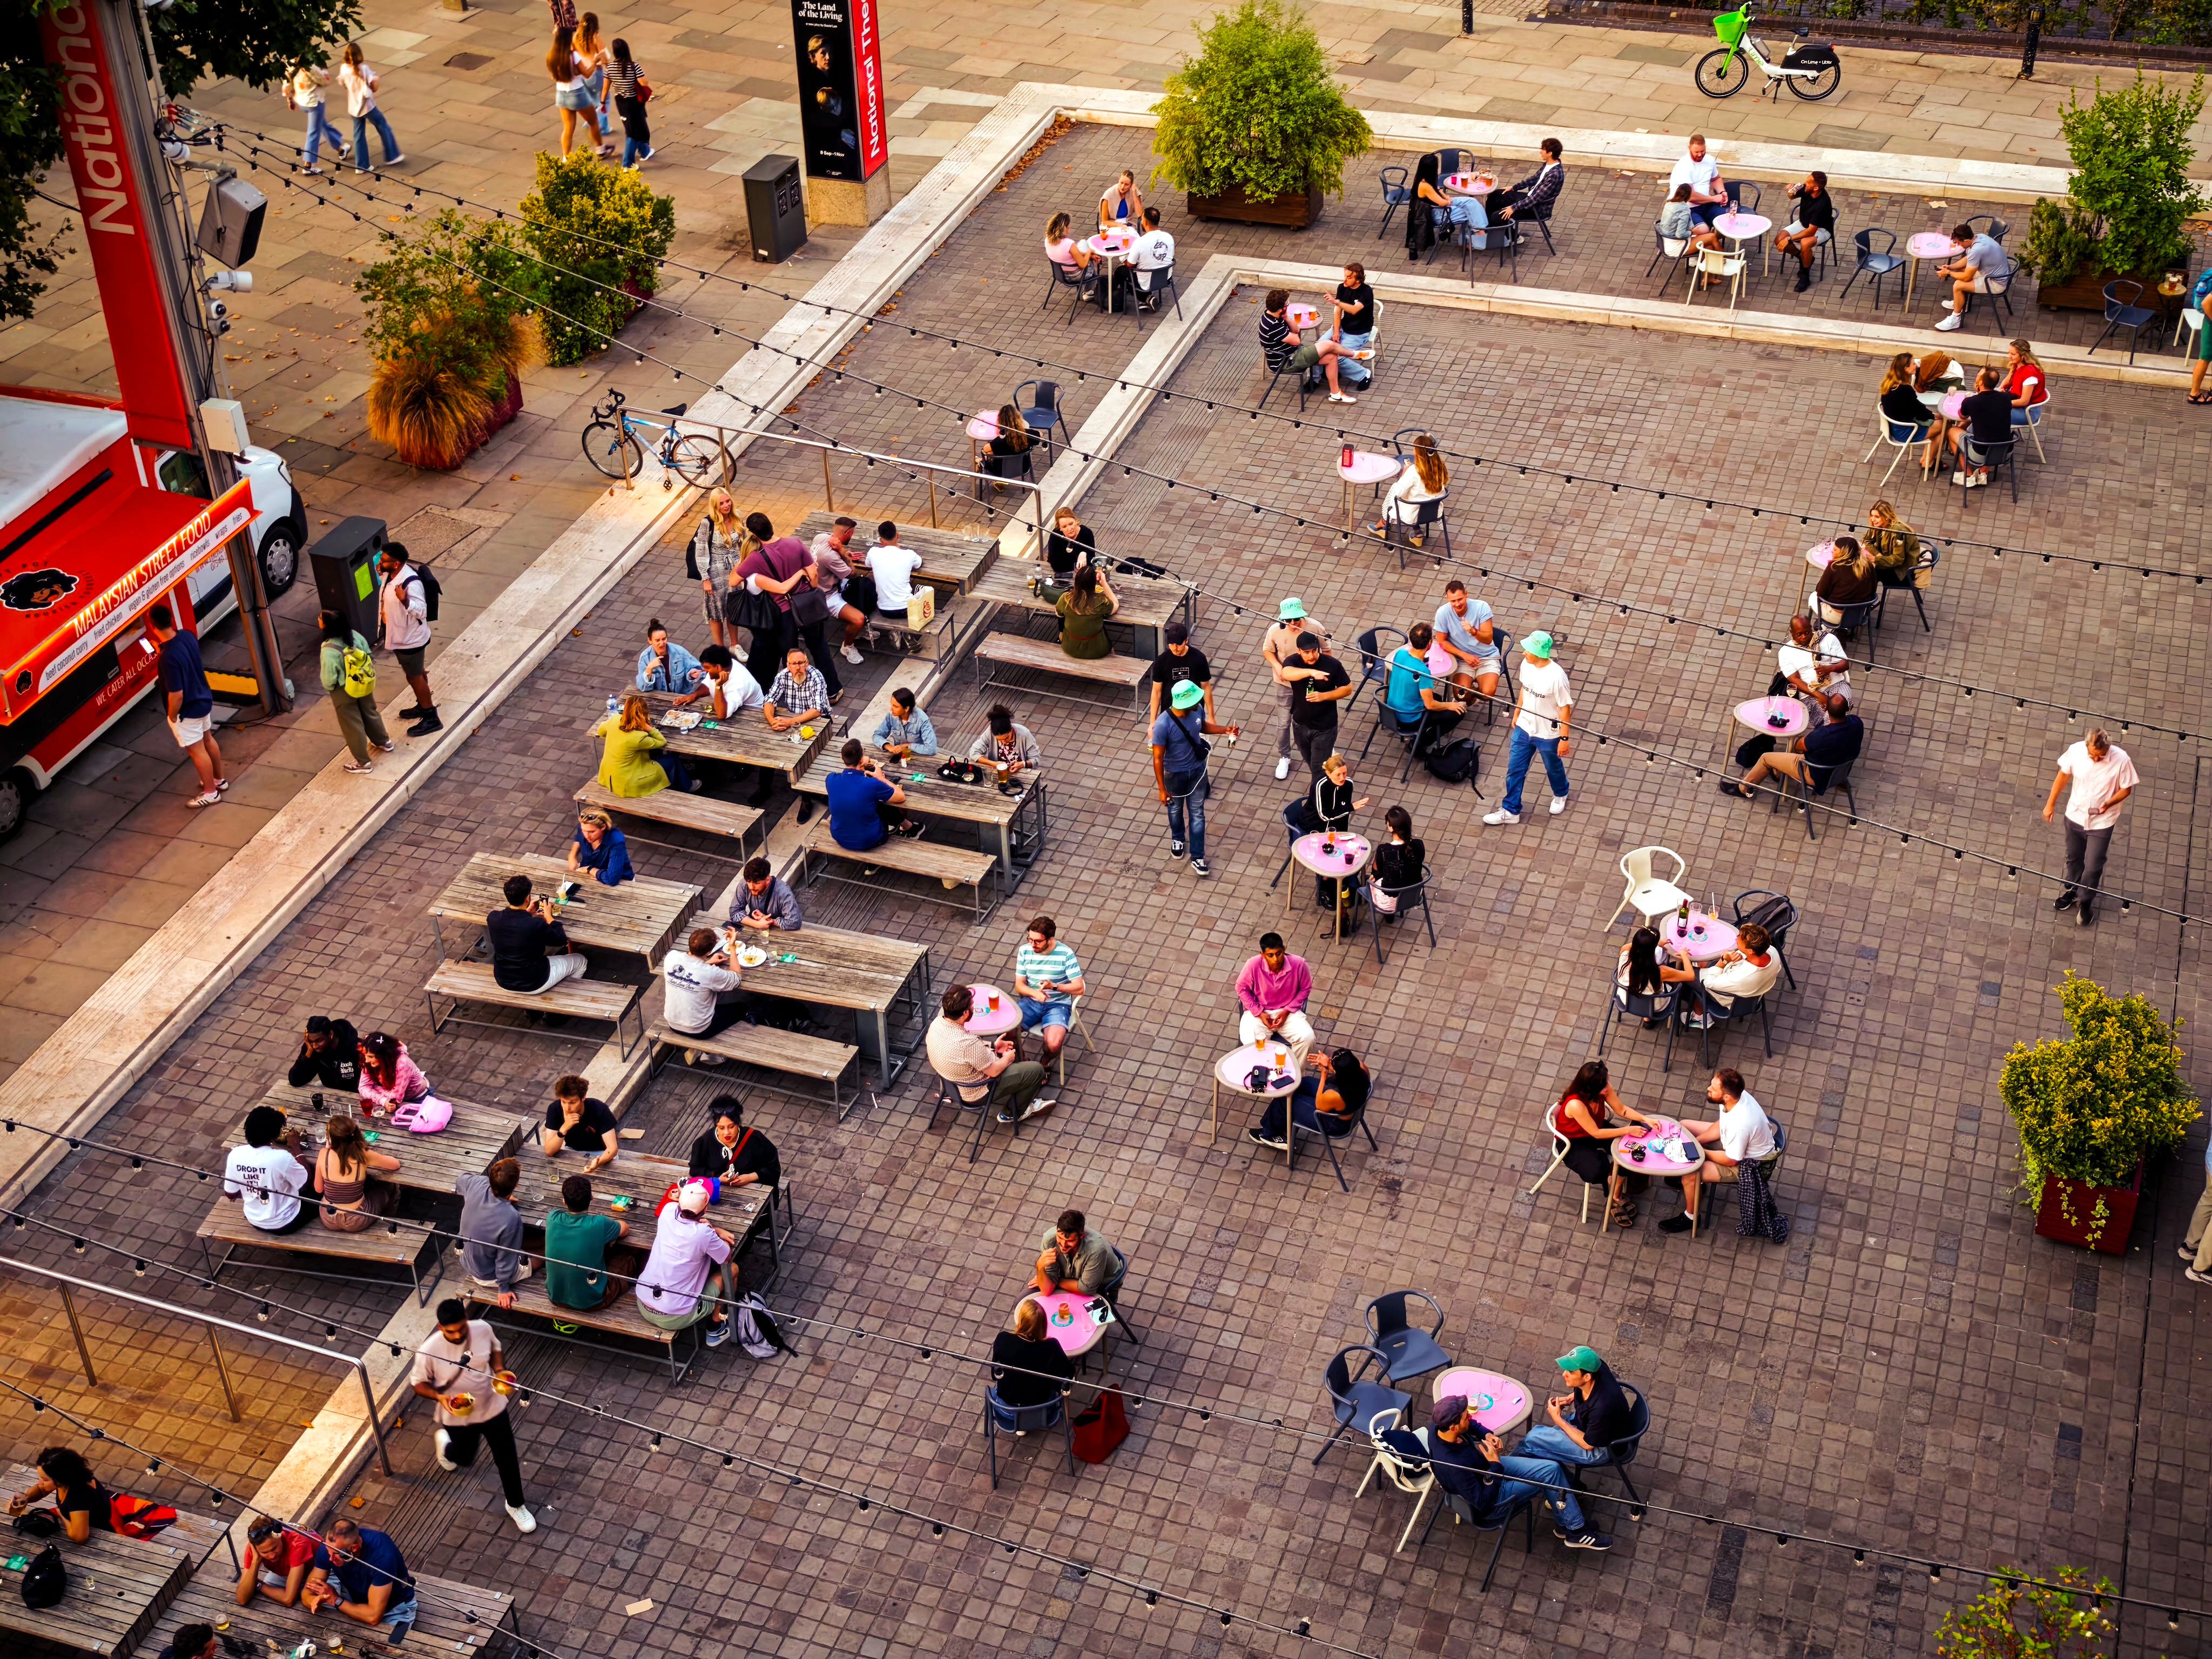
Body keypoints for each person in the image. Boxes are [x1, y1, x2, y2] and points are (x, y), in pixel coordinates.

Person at [1397, 1395, 1610, 1550]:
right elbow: (1483, 1503)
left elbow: (1471, 1427)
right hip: (1494, 1499)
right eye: (1465, 1417)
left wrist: (1486, 1434)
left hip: (1487, 1469)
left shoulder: (1438, 1430)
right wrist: (1495, 1466)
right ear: (1453, 1427)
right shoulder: (1455, 1466)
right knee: (1548, 1478)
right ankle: (1576, 1530)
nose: (1470, 1417)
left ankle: (1566, 1520)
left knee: (1549, 1466)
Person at [410, 1301, 535, 1530]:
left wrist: (499, 1371)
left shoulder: (483, 1328)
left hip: (491, 1404)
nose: (458, 1335)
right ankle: (446, 1447)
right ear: (440, 1327)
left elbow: (495, 1349)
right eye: (451, 1332)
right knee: (464, 1458)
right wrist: (440, 1397)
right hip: (458, 1413)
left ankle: (516, 1505)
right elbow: (418, 1384)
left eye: (462, 1329)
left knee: (506, 1457)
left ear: (467, 1321)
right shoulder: (429, 1350)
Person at [1661, 1069, 1778, 1232]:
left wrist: (1702, 1152)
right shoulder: (1736, 1097)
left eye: (1713, 1089)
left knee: (1690, 1173)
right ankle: (1694, 1184)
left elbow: (1731, 1160)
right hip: (1735, 1144)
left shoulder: (1741, 1125)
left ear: (1727, 1097)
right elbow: (1722, 1124)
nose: (1708, 1089)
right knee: (1684, 1128)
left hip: (1751, 1165)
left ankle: (1691, 1218)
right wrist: (1697, 1141)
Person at [2044, 726, 2138, 926]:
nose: (2096, 759)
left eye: (2101, 756)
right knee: (2074, 857)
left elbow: (2126, 789)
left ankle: (2086, 902)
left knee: (2094, 865)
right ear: (2087, 746)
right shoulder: (2076, 751)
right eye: (2093, 755)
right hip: (2075, 815)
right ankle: (2074, 889)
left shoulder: (2121, 760)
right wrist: (2050, 804)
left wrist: (2109, 804)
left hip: (2103, 822)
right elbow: (2063, 776)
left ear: (2108, 749)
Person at [927, 983, 1054, 1125]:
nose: (974, 1008)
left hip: (950, 1084)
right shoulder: (968, 1044)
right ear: (965, 1013)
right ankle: (1012, 1113)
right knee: (1036, 1070)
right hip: (977, 1092)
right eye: (972, 1006)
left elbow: (965, 1052)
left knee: (1016, 1064)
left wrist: (993, 1046)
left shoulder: (937, 1024)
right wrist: (1007, 1059)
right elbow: (994, 1071)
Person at [1552, 1058, 1655, 1227]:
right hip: (1573, 1142)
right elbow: (1596, 1133)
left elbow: (1622, 1110)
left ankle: (1615, 1195)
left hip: (1596, 1128)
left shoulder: (1604, 1089)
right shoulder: (1576, 1104)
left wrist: (1645, 1119)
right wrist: (1627, 1130)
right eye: (1604, 1085)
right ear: (1592, 1090)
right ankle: (1611, 1179)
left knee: (1630, 1151)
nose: (1608, 1086)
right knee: (1597, 1171)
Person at [636, 1179, 740, 1345]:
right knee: (732, 1269)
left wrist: (711, 1230)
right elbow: (726, 1257)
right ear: (706, 1209)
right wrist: (716, 1232)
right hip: (675, 1317)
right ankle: (716, 1328)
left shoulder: (668, 1211)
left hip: (643, 1303)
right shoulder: (703, 1234)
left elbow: (680, 1212)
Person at [1485, 632, 1572, 825]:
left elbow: (1565, 709)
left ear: (1539, 653)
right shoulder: (1527, 665)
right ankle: (1511, 810)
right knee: (1515, 769)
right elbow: (1525, 688)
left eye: (1528, 650)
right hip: (1524, 728)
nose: (1524, 653)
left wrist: (1564, 739)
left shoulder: (1557, 677)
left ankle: (1561, 793)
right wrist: (1518, 712)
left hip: (1548, 734)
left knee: (1553, 767)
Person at [1152, 678, 1236, 876]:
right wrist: (1162, 789)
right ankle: (1178, 838)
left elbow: (1201, 727)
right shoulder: (1163, 725)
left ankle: (1198, 857)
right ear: (1185, 703)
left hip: (1198, 772)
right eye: (1195, 699)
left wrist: (1224, 730)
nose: (1199, 702)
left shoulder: (1197, 710)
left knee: (1198, 813)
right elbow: (1157, 758)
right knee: (1175, 810)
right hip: (1174, 776)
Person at [146, 604, 226, 807]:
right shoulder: (187, 636)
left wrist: (173, 716)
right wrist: (161, 649)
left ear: (152, 626)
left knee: (197, 751)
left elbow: (177, 694)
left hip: (187, 711)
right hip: (203, 698)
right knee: (208, 740)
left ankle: (211, 793)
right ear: (171, 619)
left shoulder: (168, 659)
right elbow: (183, 656)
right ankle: (219, 780)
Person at [1722, 690, 1862, 804]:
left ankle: (1744, 789)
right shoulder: (1857, 723)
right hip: (1840, 770)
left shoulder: (1823, 735)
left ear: (1826, 710)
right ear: (1847, 710)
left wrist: (1805, 740)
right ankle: (1777, 772)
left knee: (1765, 758)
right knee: (1800, 751)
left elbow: (1799, 745)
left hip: (1815, 774)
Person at [1515, 1345, 1638, 1471]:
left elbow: (1588, 1445)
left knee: (1532, 1439)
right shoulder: (1596, 1366)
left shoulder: (1601, 1409)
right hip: (1590, 1424)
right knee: (1541, 1439)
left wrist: (1558, 1420)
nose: (1564, 1374)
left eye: (1571, 1372)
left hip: (1601, 1448)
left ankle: (1508, 1471)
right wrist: (1570, 1397)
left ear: (1587, 1377)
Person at [318, 609, 395, 774]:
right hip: (363, 682)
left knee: (352, 725)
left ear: (327, 626)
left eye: (320, 618)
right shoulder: (355, 636)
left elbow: (329, 679)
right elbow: (369, 655)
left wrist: (330, 688)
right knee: (370, 712)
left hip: (344, 690)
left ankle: (363, 762)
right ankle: (384, 741)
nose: (318, 620)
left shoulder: (328, 649)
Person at [306, 1518, 420, 1628]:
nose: (330, 1558)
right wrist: (315, 1601)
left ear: (354, 1548)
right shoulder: (331, 1548)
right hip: (353, 1599)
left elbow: (373, 1617)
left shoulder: (383, 1557)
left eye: (335, 1554)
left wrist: (336, 1600)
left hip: (394, 1609)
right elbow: (307, 1593)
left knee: (390, 1640)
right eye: (328, 1552)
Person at [488, 872, 589, 996]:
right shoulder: (534, 924)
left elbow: (515, 925)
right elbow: (561, 940)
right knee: (581, 961)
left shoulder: (493, 918)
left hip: (504, 980)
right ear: (528, 898)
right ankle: (567, 995)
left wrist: (528, 912)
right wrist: (548, 916)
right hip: (533, 982)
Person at [1258, 288, 1366, 404]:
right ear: (1281, 309)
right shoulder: (1273, 325)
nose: (1288, 306)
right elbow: (1296, 341)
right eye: (1287, 305)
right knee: (1329, 344)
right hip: (1287, 361)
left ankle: (1336, 395)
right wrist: (1291, 331)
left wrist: (1287, 318)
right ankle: (1354, 354)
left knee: (1331, 357)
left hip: (1294, 353)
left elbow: (1297, 330)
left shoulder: (1273, 315)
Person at [1250, 1046, 1368, 1150]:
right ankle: (1283, 1122)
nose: (1329, 1060)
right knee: (1302, 1083)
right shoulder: (1361, 1068)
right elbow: (1345, 1074)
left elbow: (1319, 1105)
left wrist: (1324, 1075)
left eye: (1332, 1062)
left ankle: (1271, 1134)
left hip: (1333, 1123)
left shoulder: (1334, 1096)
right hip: (1350, 1107)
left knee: (1285, 1100)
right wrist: (1328, 1064)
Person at [545, 1174, 634, 1311]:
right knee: (630, 1257)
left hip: (555, 1296)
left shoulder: (553, 1217)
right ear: (592, 1198)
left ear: (564, 1201)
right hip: (590, 1302)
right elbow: (625, 1229)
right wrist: (611, 1234)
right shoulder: (599, 1224)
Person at [1263, 597, 1328, 780]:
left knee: (1316, 718)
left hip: (1309, 684)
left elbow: (1327, 650)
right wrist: (1278, 667)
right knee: (1284, 723)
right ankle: (1285, 757)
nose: (1293, 623)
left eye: (1296, 619)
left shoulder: (1315, 627)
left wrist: (1324, 673)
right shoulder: (1275, 631)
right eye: (1288, 620)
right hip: (1284, 684)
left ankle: (1323, 750)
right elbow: (1268, 650)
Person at [663, 926, 752, 1060]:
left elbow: (691, 969)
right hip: (700, 1030)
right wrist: (732, 946)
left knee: (710, 998)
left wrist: (708, 962)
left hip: (673, 1023)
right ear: (709, 952)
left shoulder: (671, 957)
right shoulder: (710, 973)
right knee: (742, 1006)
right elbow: (736, 978)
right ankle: (711, 1053)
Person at [376, 544, 439, 735]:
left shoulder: (411, 583)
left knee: (414, 676)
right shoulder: (391, 574)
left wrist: (405, 600)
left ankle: (431, 717)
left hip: (410, 639)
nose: (380, 562)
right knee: (417, 672)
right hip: (401, 635)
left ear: (396, 564)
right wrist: (381, 571)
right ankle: (422, 704)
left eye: (383, 560)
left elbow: (422, 611)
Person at [224, 1105, 314, 1235]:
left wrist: (253, 1188)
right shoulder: (281, 1158)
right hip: (285, 1223)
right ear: (275, 1136)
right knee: (319, 1191)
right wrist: (296, 1148)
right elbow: (305, 1184)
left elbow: (231, 1194)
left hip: (254, 1219)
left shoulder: (235, 1154)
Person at [1681, 921, 1783, 1031]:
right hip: (1752, 992)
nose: (1736, 938)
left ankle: (1700, 1017)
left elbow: (1709, 982)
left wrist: (1724, 961)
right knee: (1705, 960)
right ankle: (1702, 967)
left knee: (1681, 973)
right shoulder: (1772, 952)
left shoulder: (1742, 977)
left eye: (1739, 937)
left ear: (1751, 951)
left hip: (1728, 998)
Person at [825, 738, 923, 852]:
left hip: (840, 837)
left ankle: (905, 825)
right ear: (861, 761)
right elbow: (901, 797)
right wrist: (880, 778)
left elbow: (850, 789)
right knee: (883, 805)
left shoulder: (831, 779)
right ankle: (903, 828)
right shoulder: (872, 784)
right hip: (869, 840)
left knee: (861, 804)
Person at [1282, 630, 1354, 780]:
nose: (1312, 655)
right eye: (1307, 652)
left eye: (1314, 651)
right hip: (1300, 723)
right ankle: (1328, 779)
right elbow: (1286, 674)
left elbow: (1348, 688)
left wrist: (1324, 696)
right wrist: (1311, 672)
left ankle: (1320, 790)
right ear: (1299, 651)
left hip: (1325, 727)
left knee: (1318, 770)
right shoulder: (1293, 661)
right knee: (1311, 761)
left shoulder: (1332, 664)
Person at [1236, 932, 1314, 1072]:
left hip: (1288, 1013)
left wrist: (1287, 1011)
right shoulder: (1253, 965)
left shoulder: (1299, 964)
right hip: (1258, 1013)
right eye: (1270, 955)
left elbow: (1306, 988)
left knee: (1307, 1038)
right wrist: (1259, 1012)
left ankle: (1294, 1075)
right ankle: (1265, 1074)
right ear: (1262, 955)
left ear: (1284, 950)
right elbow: (1241, 988)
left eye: (1279, 953)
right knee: (1251, 1043)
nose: (1276, 959)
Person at [1014, 915, 1085, 1068]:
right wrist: (1035, 994)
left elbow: (1079, 988)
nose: (1033, 945)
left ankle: (1044, 1065)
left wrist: (1054, 987)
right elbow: (1019, 985)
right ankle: (1024, 1061)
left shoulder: (1066, 954)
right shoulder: (1024, 951)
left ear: (1051, 939)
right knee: (1006, 1033)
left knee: (1053, 1045)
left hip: (1058, 1005)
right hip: (1031, 1002)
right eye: (1030, 939)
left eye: (1038, 941)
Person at [1382, 623, 1467, 752]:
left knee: (1438, 698)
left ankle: (1422, 736)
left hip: (1390, 711)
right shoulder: (1422, 671)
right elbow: (1430, 705)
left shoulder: (1400, 654)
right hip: (1409, 719)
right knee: (1458, 713)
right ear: (1430, 643)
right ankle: (1418, 745)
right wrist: (1450, 705)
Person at [455, 1159, 527, 1307]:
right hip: (488, 1275)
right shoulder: (511, 1217)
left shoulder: (477, 1184)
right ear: (516, 1185)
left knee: (524, 1241)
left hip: (468, 1261)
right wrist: (503, 1289)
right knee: (544, 1253)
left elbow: (460, 1179)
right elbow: (506, 1258)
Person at [6, 1447, 117, 1541]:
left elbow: (80, 1538)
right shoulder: (73, 1476)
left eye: (45, 1479)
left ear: (61, 1478)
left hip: (101, 1536)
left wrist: (63, 1515)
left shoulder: (77, 1497)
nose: (40, 1482)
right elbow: (42, 1490)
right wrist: (25, 1498)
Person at [596, 690, 691, 797]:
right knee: (672, 761)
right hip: (628, 782)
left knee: (654, 754)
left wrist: (615, 738)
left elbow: (601, 732)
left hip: (609, 774)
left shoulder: (615, 719)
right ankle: (688, 786)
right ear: (644, 714)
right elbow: (662, 742)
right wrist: (648, 727)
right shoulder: (638, 738)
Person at [689, 489, 748, 653]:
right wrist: (705, 579)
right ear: (715, 506)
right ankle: (720, 649)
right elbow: (701, 551)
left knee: (733, 607)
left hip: (735, 567)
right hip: (715, 570)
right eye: (721, 503)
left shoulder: (737, 516)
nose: (726, 505)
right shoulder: (707, 523)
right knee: (716, 610)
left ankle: (735, 645)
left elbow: (744, 543)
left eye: (728, 501)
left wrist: (746, 566)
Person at [318, 1113, 400, 1232]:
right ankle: (388, 1222)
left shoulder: (323, 1154)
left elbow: (319, 1189)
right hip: (356, 1220)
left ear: (331, 1138)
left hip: (328, 1217)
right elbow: (395, 1165)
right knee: (390, 1185)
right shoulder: (361, 1154)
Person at [807, 516, 871, 664]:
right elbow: (852, 574)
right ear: (848, 533)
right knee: (859, 618)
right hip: (827, 596)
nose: (852, 536)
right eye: (852, 534)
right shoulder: (831, 556)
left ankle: (860, 630)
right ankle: (847, 646)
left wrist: (845, 554)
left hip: (820, 586)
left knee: (863, 588)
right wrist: (843, 553)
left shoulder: (820, 537)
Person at [992, 1298, 1075, 1407]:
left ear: (1021, 1320)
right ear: (1043, 1324)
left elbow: (995, 1375)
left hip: (1005, 1408)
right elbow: (1068, 1376)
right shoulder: (1051, 1347)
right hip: (1040, 1407)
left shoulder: (1003, 1340)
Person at [688, 1096, 780, 1189]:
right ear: (716, 1125)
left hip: (752, 1191)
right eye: (721, 1128)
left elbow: (773, 1168)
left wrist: (750, 1178)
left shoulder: (754, 1139)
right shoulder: (705, 1142)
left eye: (731, 1127)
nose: (727, 1132)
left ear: (738, 1123)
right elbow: (695, 1169)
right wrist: (718, 1178)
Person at [336, 42, 402, 171]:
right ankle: (392, 155)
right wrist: (376, 79)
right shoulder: (364, 69)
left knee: (359, 135)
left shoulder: (344, 68)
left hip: (353, 107)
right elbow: (374, 88)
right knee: (383, 126)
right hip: (367, 106)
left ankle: (362, 165)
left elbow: (343, 84)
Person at [1370, 434, 1447, 543]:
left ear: (1418, 452)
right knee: (1415, 494)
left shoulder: (1413, 471)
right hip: (1434, 511)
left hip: (1413, 514)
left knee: (1395, 489)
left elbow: (1399, 493)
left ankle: (1385, 524)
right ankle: (1417, 533)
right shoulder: (1440, 467)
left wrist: (1404, 474)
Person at [1433, 579, 1500, 702]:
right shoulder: (1442, 613)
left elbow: (1488, 639)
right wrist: (1464, 655)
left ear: (1466, 594)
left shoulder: (1482, 607)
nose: (1457, 604)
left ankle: (1471, 695)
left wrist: (1474, 631)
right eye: (1453, 601)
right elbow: (1442, 642)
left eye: (1460, 599)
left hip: (1487, 657)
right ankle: (1469, 696)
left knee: (1488, 694)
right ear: (1448, 599)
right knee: (1460, 694)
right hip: (1462, 660)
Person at [1947, 365, 2016, 486]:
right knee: (1992, 430)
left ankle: (1968, 475)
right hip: (2005, 452)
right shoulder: (2006, 398)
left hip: (1980, 454)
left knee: (1952, 431)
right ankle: (1983, 473)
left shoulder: (1971, 402)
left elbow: (1962, 416)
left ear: (1980, 383)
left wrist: (1976, 396)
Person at [1934, 220, 2007, 332]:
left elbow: (1967, 277)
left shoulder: (1977, 250)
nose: (1959, 245)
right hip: (1997, 274)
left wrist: (1948, 273)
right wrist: (1950, 267)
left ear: (1966, 240)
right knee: (1960, 271)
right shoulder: (1980, 237)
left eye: (1959, 243)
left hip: (1996, 283)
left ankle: (1956, 319)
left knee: (1958, 285)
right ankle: (1962, 304)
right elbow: (1968, 259)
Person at [1030, 1208, 1118, 1296]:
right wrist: (1040, 1267)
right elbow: (1047, 1291)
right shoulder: (1049, 1240)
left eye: (1070, 1241)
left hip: (1102, 1286)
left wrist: (1056, 1281)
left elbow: (1086, 1290)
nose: (1063, 1245)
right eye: (1060, 1238)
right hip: (1073, 1280)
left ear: (1082, 1236)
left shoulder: (1096, 1250)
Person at [1772, 170, 1834, 293]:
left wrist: (1789, 239)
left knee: (1805, 243)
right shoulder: (1807, 189)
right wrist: (1790, 191)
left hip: (1822, 229)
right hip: (1803, 223)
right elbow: (1792, 197)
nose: (1805, 184)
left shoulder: (1822, 204)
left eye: (1808, 182)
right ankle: (1803, 257)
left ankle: (1805, 275)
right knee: (1779, 239)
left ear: (1816, 188)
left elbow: (1810, 232)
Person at [539, 1073, 617, 1171]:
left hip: (601, 1151)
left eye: (572, 1102)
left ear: (583, 1097)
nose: (567, 1108)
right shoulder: (554, 1109)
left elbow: (612, 1149)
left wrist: (598, 1162)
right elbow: (549, 1151)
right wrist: (564, 1129)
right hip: (573, 1150)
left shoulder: (599, 1109)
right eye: (563, 1102)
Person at [237, 1516, 319, 1607]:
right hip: (288, 1572)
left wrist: (259, 1585)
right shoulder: (255, 1546)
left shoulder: (297, 1543)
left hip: (319, 1571)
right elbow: (242, 1599)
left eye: (274, 1548)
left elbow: (289, 1600)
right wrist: (255, 1561)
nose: (272, 1556)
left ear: (280, 1536)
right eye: (265, 1553)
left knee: (319, 1605)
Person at [287, 59, 349, 175]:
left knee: (321, 124)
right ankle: (308, 165)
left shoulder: (289, 63)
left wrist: (290, 100)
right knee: (314, 133)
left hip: (301, 100)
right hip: (314, 102)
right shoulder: (311, 67)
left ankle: (340, 150)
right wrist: (324, 71)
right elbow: (324, 81)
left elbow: (287, 83)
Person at [1146, 622, 1213, 721]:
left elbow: (1206, 687)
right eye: (1172, 644)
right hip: (1170, 714)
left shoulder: (1199, 658)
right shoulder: (1162, 661)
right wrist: (1152, 721)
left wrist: (1211, 717)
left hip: (1194, 713)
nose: (1175, 648)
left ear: (1186, 641)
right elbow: (1156, 691)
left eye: (1179, 644)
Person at [863, 521, 925, 629]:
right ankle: (902, 632)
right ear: (898, 536)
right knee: (920, 589)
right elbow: (918, 564)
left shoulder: (873, 552)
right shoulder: (909, 554)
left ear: (881, 540)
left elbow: (867, 564)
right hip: (907, 608)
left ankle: (898, 632)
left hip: (884, 610)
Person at [355, 1030, 431, 1118]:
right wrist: (383, 1100)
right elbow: (363, 1087)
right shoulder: (368, 1059)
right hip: (392, 1099)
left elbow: (395, 1098)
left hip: (418, 1099)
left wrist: (375, 1089)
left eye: (371, 1057)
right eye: (366, 1055)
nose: (367, 1060)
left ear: (383, 1056)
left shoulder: (403, 1064)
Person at [1775, 613, 1847, 703]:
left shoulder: (1828, 639)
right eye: (1799, 634)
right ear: (1791, 632)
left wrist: (1831, 668)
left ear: (1811, 628)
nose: (1804, 637)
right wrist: (1819, 696)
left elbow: (1845, 664)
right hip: (1810, 694)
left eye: (1807, 633)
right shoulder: (1786, 651)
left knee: (1838, 704)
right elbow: (1795, 679)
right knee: (1831, 709)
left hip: (1837, 685)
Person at [1055, 563, 1118, 661]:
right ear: (1094, 584)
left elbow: (1059, 615)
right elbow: (1116, 604)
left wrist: (1061, 632)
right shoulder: (1101, 602)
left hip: (1070, 648)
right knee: (1107, 639)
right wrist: (1104, 583)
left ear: (1076, 582)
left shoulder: (1066, 598)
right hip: (1097, 651)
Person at [1370, 805, 1424, 916]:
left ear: (1391, 827)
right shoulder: (1419, 844)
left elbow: (1378, 873)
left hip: (1389, 903)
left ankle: (1388, 915)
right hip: (1414, 895)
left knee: (1369, 882)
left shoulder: (1384, 850)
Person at [607, 37, 652, 168]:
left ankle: (645, 151)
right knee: (633, 132)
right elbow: (643, 82)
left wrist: (603, 102)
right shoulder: (634, 66)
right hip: (634, 102)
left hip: (621, 102)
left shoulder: (610, 68)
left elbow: (606, 87)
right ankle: (627, 164)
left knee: (637, 127)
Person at [1809, 535, 1877, 622]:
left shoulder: (1834, 567)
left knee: (1813, 597)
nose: (1832, 552)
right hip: (1859, 615)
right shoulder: (1868, 566)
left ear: (1844, 553)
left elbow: (1820, 593)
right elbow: (1873, 590)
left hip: (1837, 617)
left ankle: (1825, 627)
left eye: (1835, 550)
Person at [566, 806, 635, 891]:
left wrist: (589, 869)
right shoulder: (585, 827)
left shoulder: (616, 840)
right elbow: (578, 839)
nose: (587, 836)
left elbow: (612, 879)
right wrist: (572, 856)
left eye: (592, 832)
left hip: (621, 884)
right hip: (590, 877)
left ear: (603, 827)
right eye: (584, 830)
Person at [969, 704, 1043, 779]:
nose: (1004, 742)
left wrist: (1023, 764)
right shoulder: (990, 732)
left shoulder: (1024, 734)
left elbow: (1036, 760)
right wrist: (993, 764)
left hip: (1022, 776)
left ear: (1011, 729)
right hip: (998, 775)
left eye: (1007, 738)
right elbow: (974, 752)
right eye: (1000, 740)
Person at [1665, 134, 1726, 227]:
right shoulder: (1684, 165)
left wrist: (1722, 192)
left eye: (1702, 151)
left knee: (1727, 220)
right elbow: (1691, 197)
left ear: (1705, 147)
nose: (1700, 154)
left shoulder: (1710, 160)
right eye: (1696, 152)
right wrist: (1714, 199)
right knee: (1703, 229)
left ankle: (1713, 234)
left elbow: (1716, 179)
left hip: (1705, 205)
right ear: (1689, 148)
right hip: (1686, 208)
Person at [289, 1014, 362, 1090]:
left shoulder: (357, 1049)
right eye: (311, 1041)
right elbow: (295, 1081)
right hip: (329, 1088)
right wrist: (308, 1055)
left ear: (331, 1035)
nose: (315, 1046)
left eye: (319, 1041)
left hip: (356, 1092)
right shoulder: (311, 1049)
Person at [575, 12, 614, 154]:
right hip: (596, 74)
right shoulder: (596, 39)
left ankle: (604, 128)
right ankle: (591, 123)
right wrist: (612, 73)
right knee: (605, 102)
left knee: (596, 102)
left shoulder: (576, 38)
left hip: (583, 74)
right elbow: (605, 59)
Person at [731, 854, 802, 932]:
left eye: (757, 883)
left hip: (779, 932)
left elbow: (794, 922)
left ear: (768, 880)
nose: (751, 887)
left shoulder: (783, 893)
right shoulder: (744, 885)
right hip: (755, 929)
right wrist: (757, 924)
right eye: (749, 882)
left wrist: (771, 921)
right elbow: (735, 911)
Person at [1332, 261, 1376, 383]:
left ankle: (1364, 375)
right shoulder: (1342, 287)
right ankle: (1315, 379)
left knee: (1337, 357)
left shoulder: (1366, 291)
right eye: (1345, 276)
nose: (1345, 280)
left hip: (1359, 333)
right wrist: (1336, 332)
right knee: (1318, 349)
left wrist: (1336, 302)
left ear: (1358, 280)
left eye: (1349, 277)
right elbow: (1338, 312)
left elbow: (1354, 310)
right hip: (1343, 327)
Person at [636, 618, 705, 694]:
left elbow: (702, 670)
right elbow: (643, 687)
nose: (662, 643)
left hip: (680, 697)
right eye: (658, 640)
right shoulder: (645, 658)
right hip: (657, 698)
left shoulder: (679, 653)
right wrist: (649, 669)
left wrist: (692, 674)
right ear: (650, 641)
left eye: (664, 639)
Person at [1865, 498, 1923, 589]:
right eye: (1872, 516)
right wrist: (1878, 554)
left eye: (1877, 517)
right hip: (1891, 563)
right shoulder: (1880, 526)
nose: (1873, 519)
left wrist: (1876, 559)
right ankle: (1865, 595)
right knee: (1864, 567)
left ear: (1886, 517)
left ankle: (1867, 596)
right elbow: (1867, 541)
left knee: (1869, 572)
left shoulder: (1897, 532)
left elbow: (1898, 559)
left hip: (1903, 573)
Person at [872, 686, 938, 759]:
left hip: (919, 757)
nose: (891, 709)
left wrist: (907, 746)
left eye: (895, 707)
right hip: (899, 757)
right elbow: (877, 736)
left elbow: (932, 749)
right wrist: (888, 746)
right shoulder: (891, 715)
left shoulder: (922, 720)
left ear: (906, 709)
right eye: (892, 705)